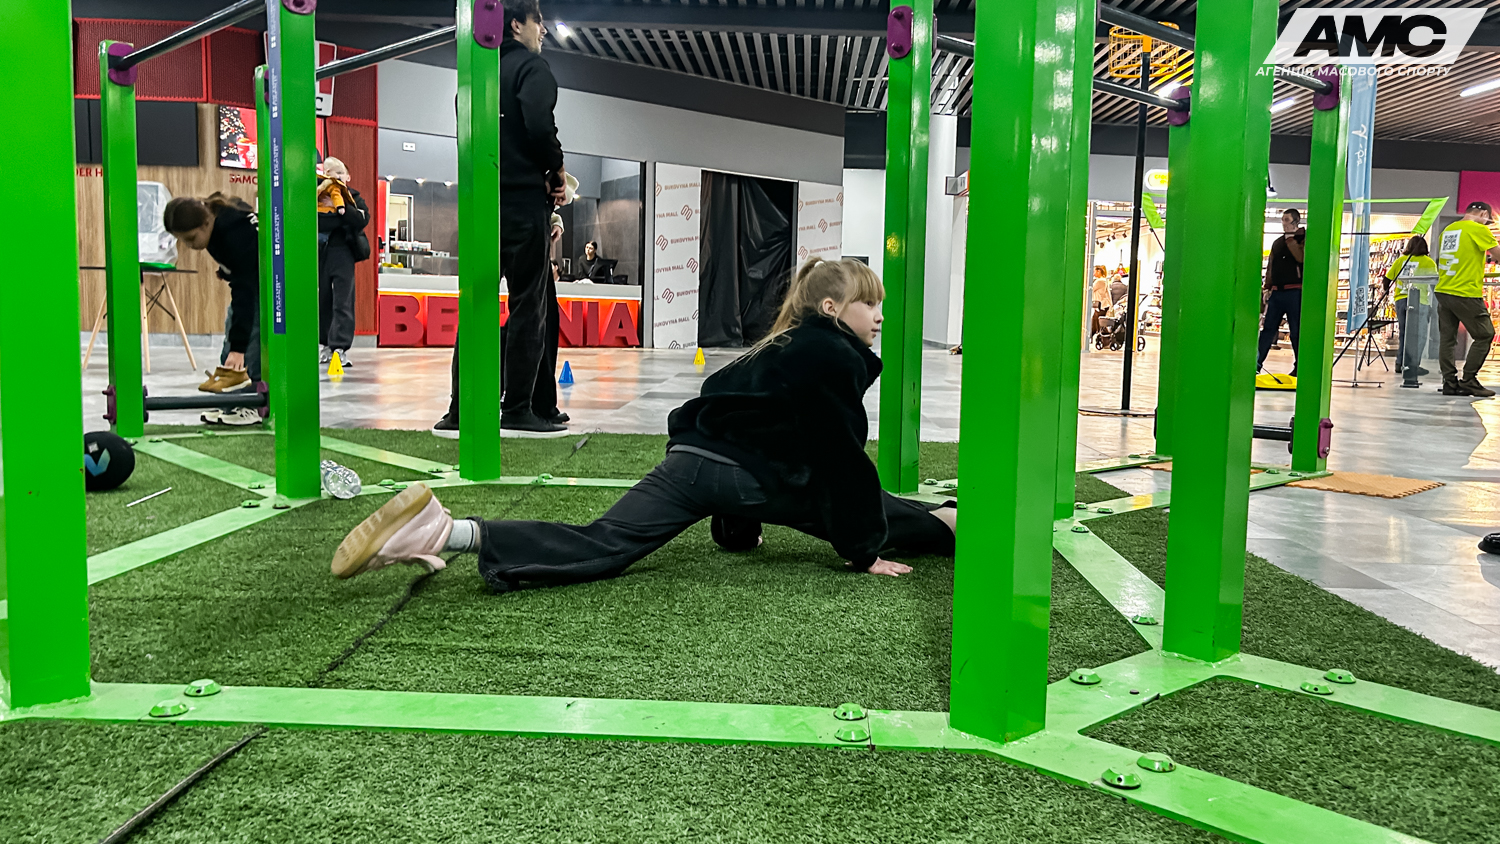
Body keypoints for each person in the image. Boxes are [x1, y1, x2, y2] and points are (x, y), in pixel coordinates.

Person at [331, 258, 958, 588]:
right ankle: (953, 525)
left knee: (603, 542)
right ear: (832, 307)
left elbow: (723, 406)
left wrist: (736, 527)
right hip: (742, 479)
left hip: (690, 465)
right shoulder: (833, 354)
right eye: (869, 305)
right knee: (856, 501)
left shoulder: (779, 344)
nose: (879, 316)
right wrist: (863, 551)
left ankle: (449, 532)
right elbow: (840, 457)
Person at [433, 0, 570, 439]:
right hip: (522, 204)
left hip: (480, 205)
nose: (543, 31)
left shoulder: (475, 75)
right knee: (528, 306)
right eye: (538, 22)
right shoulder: (532, 68)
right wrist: (556, 169)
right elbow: (539, 125)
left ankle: (460, 409)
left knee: (475, 306)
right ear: (515, 25)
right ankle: (517, 408)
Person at [163, 193, 263, 426]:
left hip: (268, 288)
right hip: (253, 283)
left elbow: (245, 292)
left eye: (191, 238)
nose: (189, 246)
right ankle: (228, 402)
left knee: (249, 344)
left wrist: (238, 349)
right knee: (232, 339)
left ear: (206, 223)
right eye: (182, 241)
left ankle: (249, 404)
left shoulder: (232, 233)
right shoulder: (218, 220)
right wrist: (227, 270)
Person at [1434, 201, 1500, 397]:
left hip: (1444, 289)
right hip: (1465, 292)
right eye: (1488, 220)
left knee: (1447, 339)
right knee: (1485, 334)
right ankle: (1469, 380)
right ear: (1483, 214)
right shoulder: (1478, 229)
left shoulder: (1449, 230)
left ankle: (1449, 382)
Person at [316, 157, 370, 368]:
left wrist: (341, 209)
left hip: (343, 253)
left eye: (341, 173)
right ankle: (325, 345)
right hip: (320, 252)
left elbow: (362, 219)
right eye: (333, 173)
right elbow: (317, 221)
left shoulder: (353, 197)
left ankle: (340, 347)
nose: (338, 177)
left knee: (343, 300)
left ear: (348, 176)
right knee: (323, 299)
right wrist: (341, 217)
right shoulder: (318, 195)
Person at [1257, 209, 1306, 377]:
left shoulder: (1303, 239)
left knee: (1296, 331)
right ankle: (1256, 364)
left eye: (1287, 220)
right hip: (1277, 293)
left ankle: (1299, 367)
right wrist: (1267, 287)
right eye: (1282, 220)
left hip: (1295, 292)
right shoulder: (1277, 243)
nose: (1284, 223)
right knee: (1268, 329)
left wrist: (1291, 239)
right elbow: (1271, 266)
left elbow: (1301, 258)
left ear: (1295, 222)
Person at [1383, 235, 1437, 385]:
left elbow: (1387, 279)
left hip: (1401, 299)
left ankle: (1400, 363)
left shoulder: (1401, 260)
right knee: (1419, 335)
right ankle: (1412, 365)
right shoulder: (1428, 262)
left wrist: (1387, 293)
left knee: (1404, 333)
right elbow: (1434, 283)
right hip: (1420, 301)